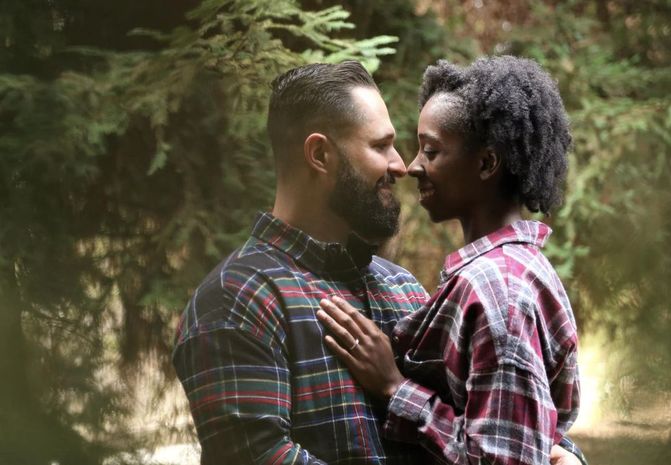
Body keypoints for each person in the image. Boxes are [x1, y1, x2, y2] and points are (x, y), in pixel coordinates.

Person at [172, 60, 584, 464]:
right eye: (380, 146)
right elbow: (258, 456)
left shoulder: (401, 288)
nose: (401, 166)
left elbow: (500, 425)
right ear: (319, 154)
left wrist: (567, 456)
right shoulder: (235, 300)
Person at [317, 56, 585, 465]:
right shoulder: (514, 271)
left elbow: (503, 460)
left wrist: (394, 386)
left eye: (431, 151)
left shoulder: (499, 291)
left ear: (486, 163)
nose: (411, 167)